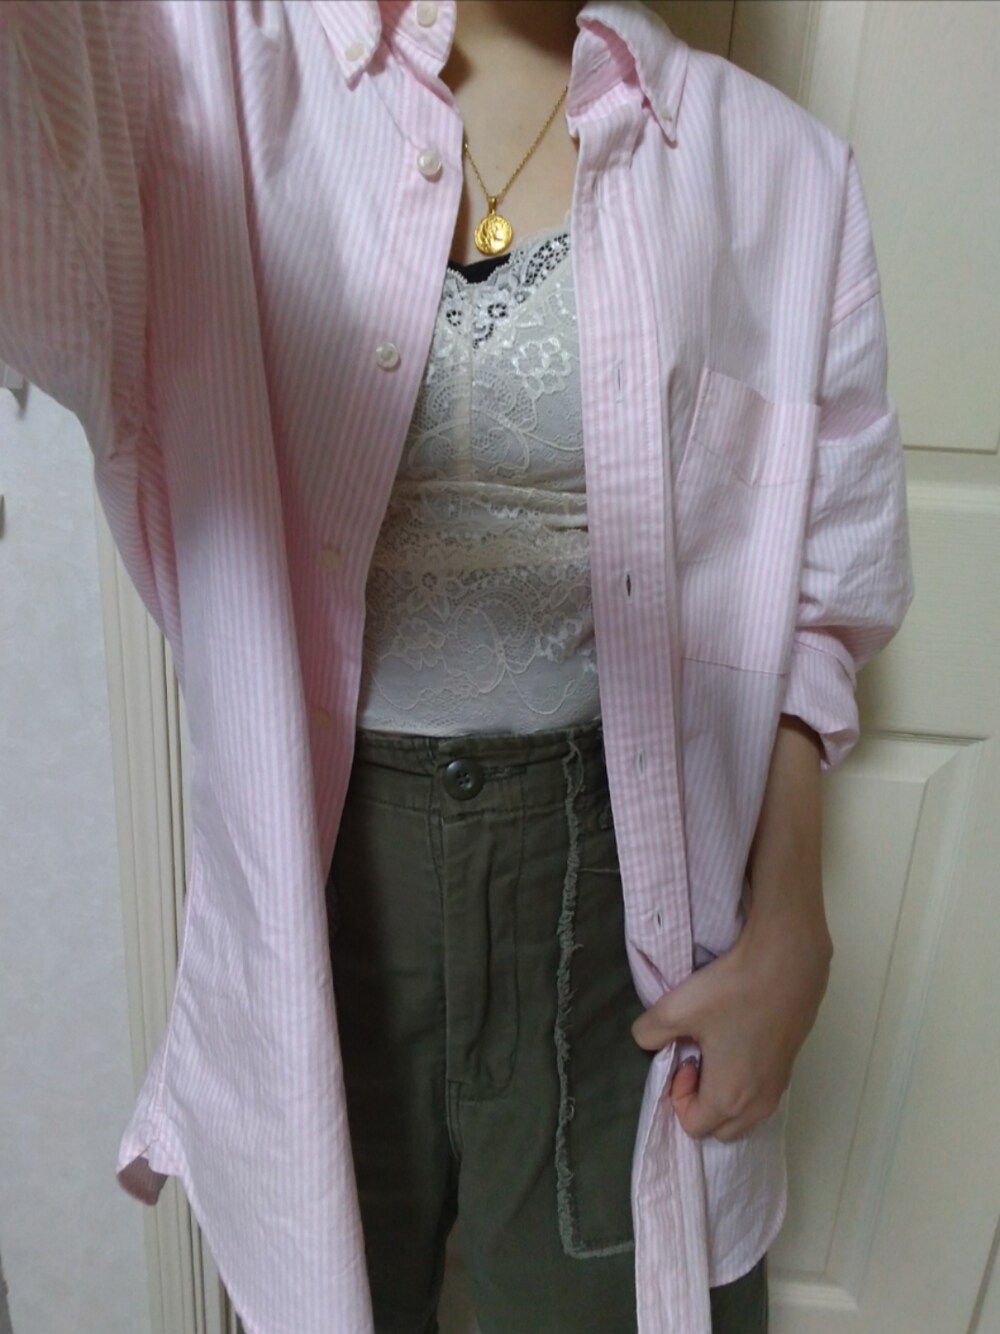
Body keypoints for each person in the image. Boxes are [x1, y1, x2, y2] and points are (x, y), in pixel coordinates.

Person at [0, 1, 913, 1332]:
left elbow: (820, 599)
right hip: (326, 880)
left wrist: (791, 929)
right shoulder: (207, 68)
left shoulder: (775, 171)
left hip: (619, 904)